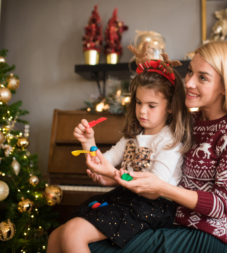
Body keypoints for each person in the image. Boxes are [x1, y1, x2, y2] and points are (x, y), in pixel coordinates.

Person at [84, 40, 227, 253]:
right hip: (163, 221)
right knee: (69, 236)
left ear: (226, 86)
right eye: (190, 72)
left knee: (89, 243)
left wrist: (162, 188)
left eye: (203, 77)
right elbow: (146, 155)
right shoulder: (186, 121)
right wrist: (113, 176)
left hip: (203, 235)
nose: (188, 83)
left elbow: (224, 205)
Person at [47, 49, 193, 253]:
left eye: (152, 106)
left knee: (73, 232)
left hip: (152, 207)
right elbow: (103, 162)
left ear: (170, 107)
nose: (142, 111)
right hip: (125, 198)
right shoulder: (132, 136)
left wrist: (112, 175)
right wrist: (88, 142)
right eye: (139, 103)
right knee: (56, 236)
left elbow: (152, 189)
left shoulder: (169, 140)